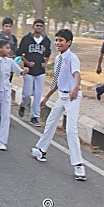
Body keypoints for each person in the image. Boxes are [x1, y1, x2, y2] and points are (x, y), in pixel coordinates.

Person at [31, 29, 87, 181]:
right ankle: (41, 150)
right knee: (50, 122)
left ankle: (78, 165)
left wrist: (75, 88)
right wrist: (46, 98)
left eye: (61, 40)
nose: (58, 43)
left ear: (69, 43)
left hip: (72, 96)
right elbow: (56, 82)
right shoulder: (58, 59)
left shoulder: (72, 58)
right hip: (62, 95)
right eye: (56, 40)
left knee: (70, 130)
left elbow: (77, 74)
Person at [0, 39, 29, 151]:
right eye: (7, 48)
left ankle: (2, 141)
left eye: (9, 48)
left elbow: (20, 72)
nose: (9, 50)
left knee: (5, 116)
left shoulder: (10, 62)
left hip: (6, 90)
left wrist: (25, 70)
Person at [16, 19, 51, 127]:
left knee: (37, 95)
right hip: (29, 70)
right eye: (37, 26)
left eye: (41, 26)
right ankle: (22, 105)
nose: (39, 27)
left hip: (40, 71)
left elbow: (48, 53)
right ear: (33, 26)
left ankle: (34, 117)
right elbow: (20, 53)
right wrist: (27, 62)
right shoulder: (27, 39)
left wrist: (45, 63)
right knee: (27, 93)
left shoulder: (46, 40)